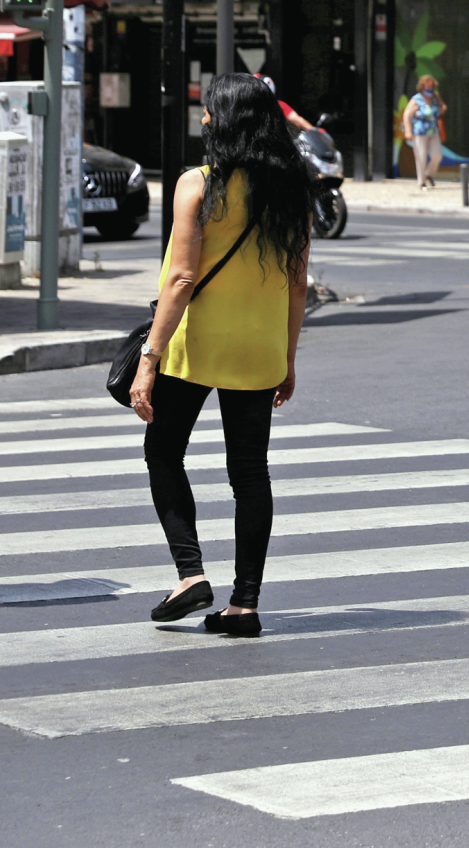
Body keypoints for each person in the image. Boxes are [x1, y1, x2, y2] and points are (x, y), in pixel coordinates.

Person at [132, 72, 313, 638]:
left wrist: (148, 356)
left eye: (210, 110)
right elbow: (298, 281)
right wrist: (287, 358)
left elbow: (182, 278)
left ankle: (190, 574)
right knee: (250, 473)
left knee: (162, 450)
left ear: (227, 120)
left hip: (195, 345)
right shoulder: (292, 189)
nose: (204, 118)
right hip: (258, 350)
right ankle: (245, 604)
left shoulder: (197, 185)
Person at [402, 76, 448, 188]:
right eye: (428, 85)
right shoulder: (416, 99)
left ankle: (429, 174)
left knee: (437, 155)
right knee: (421, 157)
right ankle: (421, 182)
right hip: (419, 132)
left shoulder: (435, 97)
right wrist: (408, 131)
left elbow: (442, 107)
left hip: (433, 131)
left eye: (432, 85)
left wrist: (442, 107)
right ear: (422, 86)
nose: (430, 87)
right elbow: (406, 114)